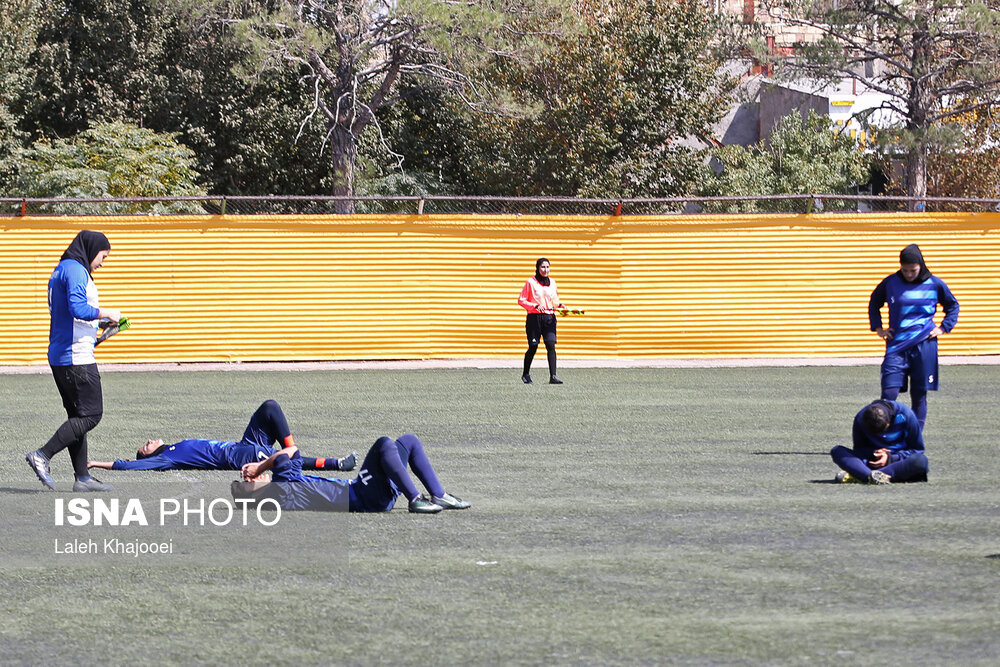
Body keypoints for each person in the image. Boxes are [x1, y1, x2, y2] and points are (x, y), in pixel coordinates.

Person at [26, 230, 124, 492]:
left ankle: (83, 478)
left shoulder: (62, 268)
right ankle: (42, 455)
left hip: (63, 354)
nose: (103, 262)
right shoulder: (77, 270)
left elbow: (70, 316)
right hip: (75, 357)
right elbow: (78, 308)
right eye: (103, 256)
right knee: (92, 414)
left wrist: (103, 326)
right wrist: (107, 312)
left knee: (77, 416)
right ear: (91, 250)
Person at [87, 400, 357, 473]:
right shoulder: (165, 460)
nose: (148, 441)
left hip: (244, 444)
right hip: (240, 456)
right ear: (149, 456)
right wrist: (95, 463)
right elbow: (129, 465)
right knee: (284, 458)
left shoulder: (173, 448)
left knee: (270, 408)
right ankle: (334, 464)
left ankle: (292, 450)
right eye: (145, 447)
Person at [231, 433, 470, 514]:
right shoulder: (279, 491)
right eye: (247, 483)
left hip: (366, 492)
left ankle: (439, 495)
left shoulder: (286, 483)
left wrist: (261, 470)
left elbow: (292, 453)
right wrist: (260, 467)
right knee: (383, 444)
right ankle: (416, 500)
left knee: (409, 442)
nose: (251, 477)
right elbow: (287, 453)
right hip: (363, 496)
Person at [868, 244, 959, 429]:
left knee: (919, 395)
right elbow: (874, 302)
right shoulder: (891, 282)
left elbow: (952, 306)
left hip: (924, 346)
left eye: (913, 270)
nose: (909, 274)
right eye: (905, 270)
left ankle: (914, 440)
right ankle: (884, 439)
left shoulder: (935, 283)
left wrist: (943, 328)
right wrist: (878, 328)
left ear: (921, 266)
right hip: (896, 347)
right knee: (888, 394)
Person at [830, 399, 929, 484]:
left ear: (889, 421)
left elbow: (917, 449)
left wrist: (890, 458)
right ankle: (875, 476)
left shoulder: (906, 415)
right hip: (872, 462)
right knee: (837, 451)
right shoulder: (860, 418)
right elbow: (860, 450)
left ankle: (864, 476)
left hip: (897, 462)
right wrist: (874, 454)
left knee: (920, 461)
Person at [518, 257, 567, 385]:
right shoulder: (530, 282)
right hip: (534, 318)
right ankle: (525, 374)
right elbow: (521, 300)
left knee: (551, 345)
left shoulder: (553, 282)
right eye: (543, 267)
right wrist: (534, 306)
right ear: (537, 268)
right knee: (533, 346)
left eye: (547, 267)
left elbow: (554, 300)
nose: (545, 270)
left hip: (549, 318)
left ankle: (553, 376)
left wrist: (561, 306)